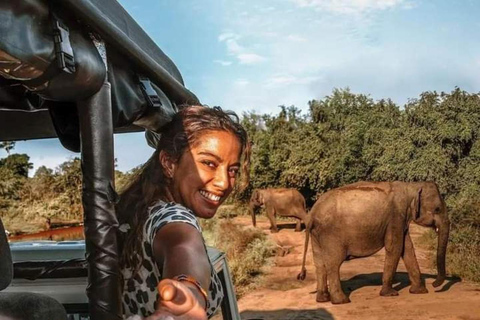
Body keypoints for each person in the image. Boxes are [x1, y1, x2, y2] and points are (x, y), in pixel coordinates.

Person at [116, 106, 251, 320]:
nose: (224, 183)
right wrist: (187, 295)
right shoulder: (172, 217)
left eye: (232, 170)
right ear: (169, 163)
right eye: (209, 163)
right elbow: (183, 245)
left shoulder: (140, 210)